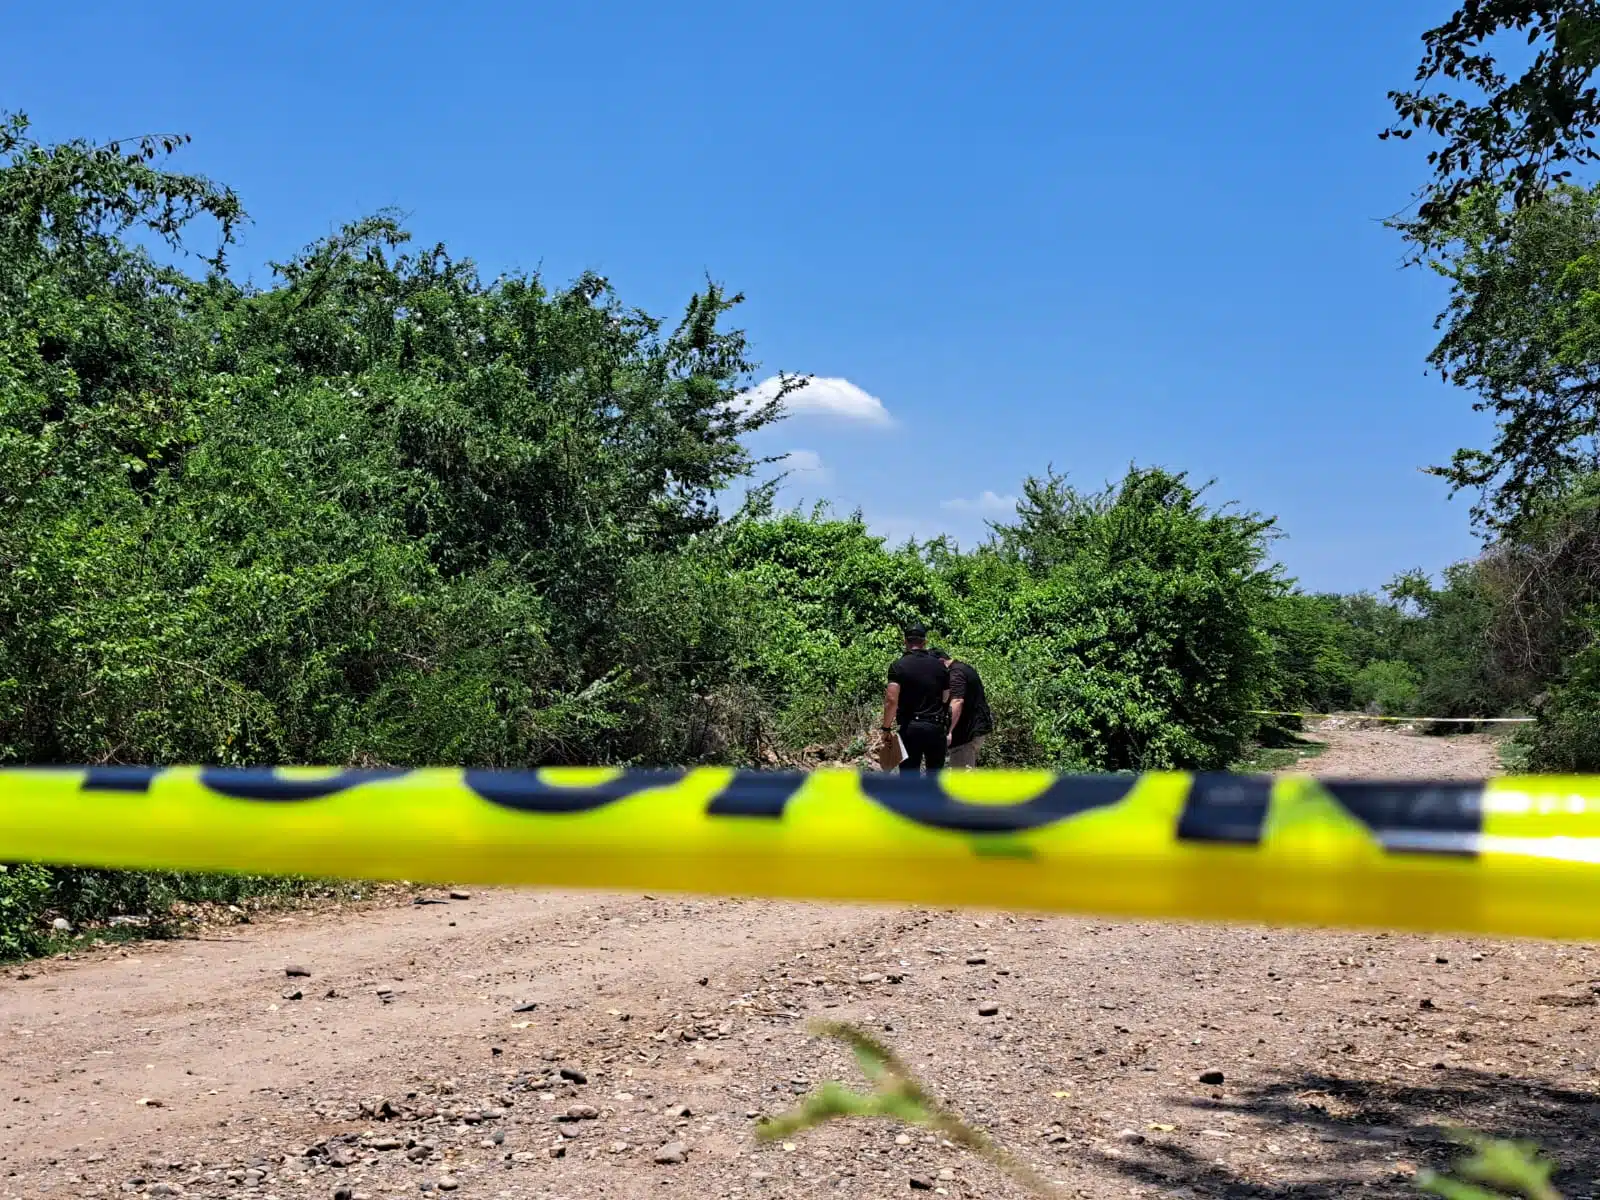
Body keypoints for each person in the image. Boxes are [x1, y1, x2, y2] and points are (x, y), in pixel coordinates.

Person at [880, 623, 949, 774]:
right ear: (924, 642)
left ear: (905, 642)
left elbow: (891, 700)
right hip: (936, 727)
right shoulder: (940, 666)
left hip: (910, 728)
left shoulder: (898, 666)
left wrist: (886, 728)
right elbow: (946, 698)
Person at [932, 649, 992, 768]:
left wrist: (948, 731)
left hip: (966, 735)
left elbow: (957, 701)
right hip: (974, 729)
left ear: (941, 661)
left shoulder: (955, 673)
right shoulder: (962, 668)